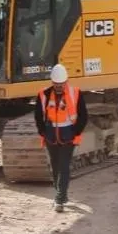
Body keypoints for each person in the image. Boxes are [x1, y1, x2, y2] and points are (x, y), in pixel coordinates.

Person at [33, 64, 87, 212]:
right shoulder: (43, 94)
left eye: (61, 84)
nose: (58, 87)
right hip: (51, 136)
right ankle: (61, 194)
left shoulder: (75, 93)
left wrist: (76, 132)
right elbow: (38, 116)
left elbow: (83, 116)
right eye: (56, 84)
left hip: (68, 135)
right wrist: (43, 131)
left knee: (64, 166)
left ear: (66, 81)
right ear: (52, 82)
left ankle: (59, 199)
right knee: (55, 166)